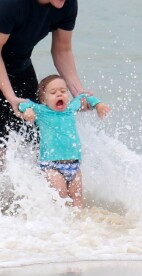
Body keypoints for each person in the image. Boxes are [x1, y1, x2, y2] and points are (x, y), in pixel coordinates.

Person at [0, 0, 88, 167]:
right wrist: (11, 96)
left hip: (20, 68)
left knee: (35, 141)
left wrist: (79, 92)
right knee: (2, 147)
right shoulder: (11, 5)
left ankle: (36, 191)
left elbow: (62, 50)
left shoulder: (66, 4)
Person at [19, 74, 110, 208]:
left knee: (77, 198)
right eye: (53, 92)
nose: (59, 94)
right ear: (44, 99)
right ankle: (61, 225)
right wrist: (27, 110)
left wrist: (98, 104)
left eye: (63, 91)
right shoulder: (41, 111)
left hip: (74, 164)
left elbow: (84, 97)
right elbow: (23, 103)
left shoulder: (70, 109)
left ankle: (79, 226)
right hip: (51, 165)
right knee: (60, 195)